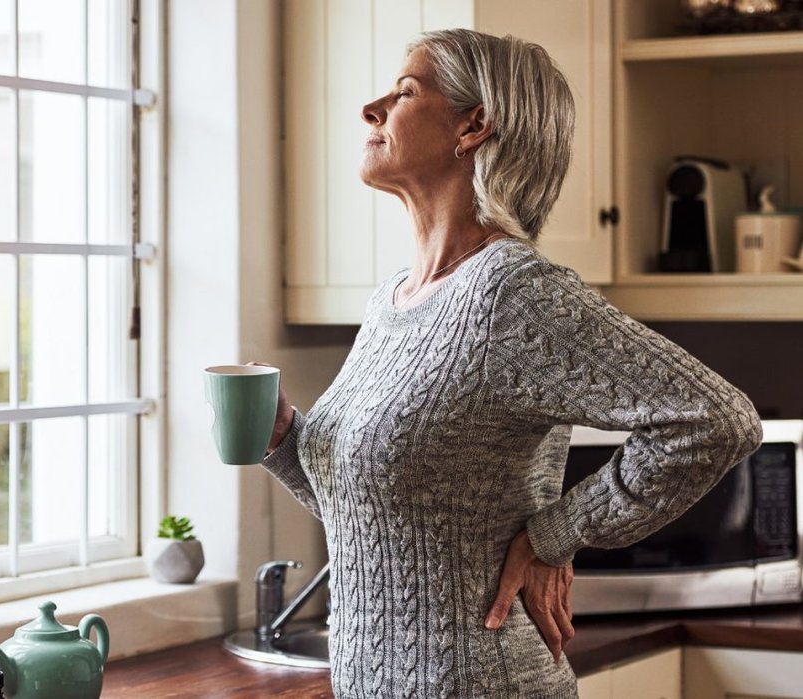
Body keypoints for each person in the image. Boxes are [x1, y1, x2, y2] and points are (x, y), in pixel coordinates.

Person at [258, 29, 762, 698]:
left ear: (475, 126)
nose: (370, 109)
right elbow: (386, 518)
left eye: (405, 92)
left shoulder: (511, 293)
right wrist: (287, 444)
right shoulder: (391, 303)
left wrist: (556, 532)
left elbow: (717, 418)